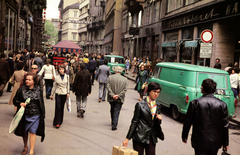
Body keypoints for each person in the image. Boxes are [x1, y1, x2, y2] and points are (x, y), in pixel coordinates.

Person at [182, 79, 229, 155]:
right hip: (215, 142)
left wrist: (184, 135)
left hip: (199, 141)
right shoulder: (222, 105)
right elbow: (225, 125)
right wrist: (225, 143)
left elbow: (188, 121)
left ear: (202, 88)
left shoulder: (194, 103)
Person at [123, 82, 162, 155]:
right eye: (154, 91)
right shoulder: (140, 105)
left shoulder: (158, 105)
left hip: (151, 136)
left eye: (158, 92)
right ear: (149, 91)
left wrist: (159, 119)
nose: (156, 94)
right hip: (139, 136)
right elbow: (134, 122)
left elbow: (156, 123)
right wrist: (127, 138)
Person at [13, 72, 45, 155]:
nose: (27, 81)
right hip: (24, 114)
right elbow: (15, 100)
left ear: (34, 81)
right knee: (25, 131)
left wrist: (43, 115)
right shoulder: (21, 90)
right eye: (26, 79)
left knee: (32, 132)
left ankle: (31, 151)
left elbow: (41, 103)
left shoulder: (39, 90)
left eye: (29, 80)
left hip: (35, 114)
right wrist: (20, 103)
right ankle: (25, 146)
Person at [107, 66, 128, 130]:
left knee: (112, 109)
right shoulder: (125, 79)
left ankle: (113, 121)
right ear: (121, 71)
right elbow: (125, 89)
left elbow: (108, 87)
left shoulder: (110, 77)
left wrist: (112, 95)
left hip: (111, 97)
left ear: (115, 71)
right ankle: (114, 124)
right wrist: (118, 95)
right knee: (117, 110)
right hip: (120, 98)